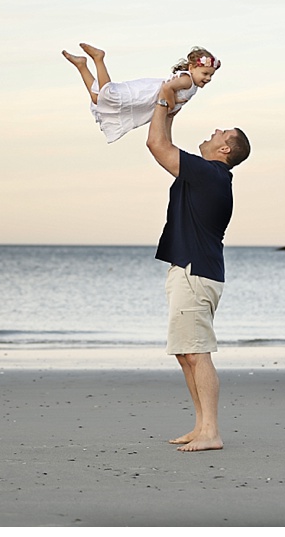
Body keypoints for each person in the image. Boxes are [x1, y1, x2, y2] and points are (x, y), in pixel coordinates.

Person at [146, 80, 250, 452]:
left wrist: (162, 95)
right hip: (190, 270)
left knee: (197, 351)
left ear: (225, 149)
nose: (214, 131)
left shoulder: (211, 174)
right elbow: (166, 142)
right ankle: (201, 425)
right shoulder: (207, 175)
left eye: (221, 132)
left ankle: (212, 432)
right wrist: (170, 109)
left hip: (196, 272)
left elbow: (157, 146)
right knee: (185, 351)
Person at [62, 43, 220, 143]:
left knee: (98, 99)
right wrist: (170, 105)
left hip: (150, 100)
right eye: (205, 73)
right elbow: (167, 89)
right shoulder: (187, 81)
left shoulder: (192, 86)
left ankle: (82, 66)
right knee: (109, 95)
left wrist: (167, 139)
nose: (208, 78)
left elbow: (170, 114)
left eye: (211, 75)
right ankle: (98, 59)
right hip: (147, 94)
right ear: (192, 68)